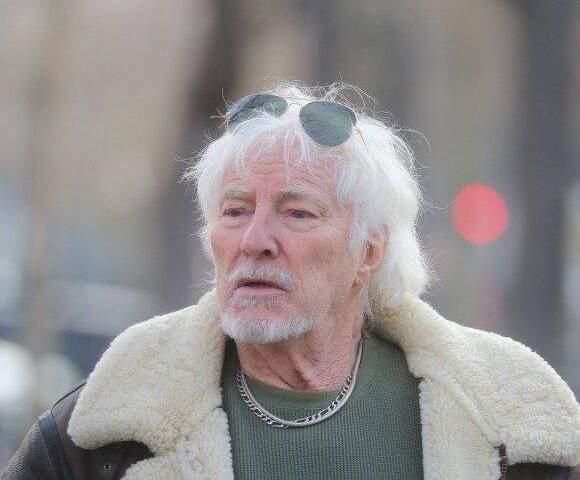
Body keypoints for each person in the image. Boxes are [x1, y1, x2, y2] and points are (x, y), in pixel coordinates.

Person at [3, 82, 580, 480]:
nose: (255, 238)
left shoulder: (514, 425)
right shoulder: (100, 435)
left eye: (297, 213)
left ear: (368, 251)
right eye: (234, 211)